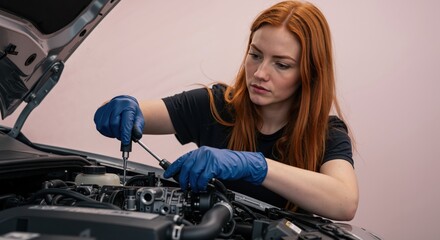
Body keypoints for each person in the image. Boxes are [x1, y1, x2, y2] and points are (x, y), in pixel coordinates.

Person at [94, 0, 358, 221]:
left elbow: (345, 202)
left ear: (309, 73)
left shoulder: (326, 134)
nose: (260, 73)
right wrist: (120, 109)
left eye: (282, 64)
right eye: (255, 55)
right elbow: (138, 112)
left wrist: (257, 166)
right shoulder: (217, 106)